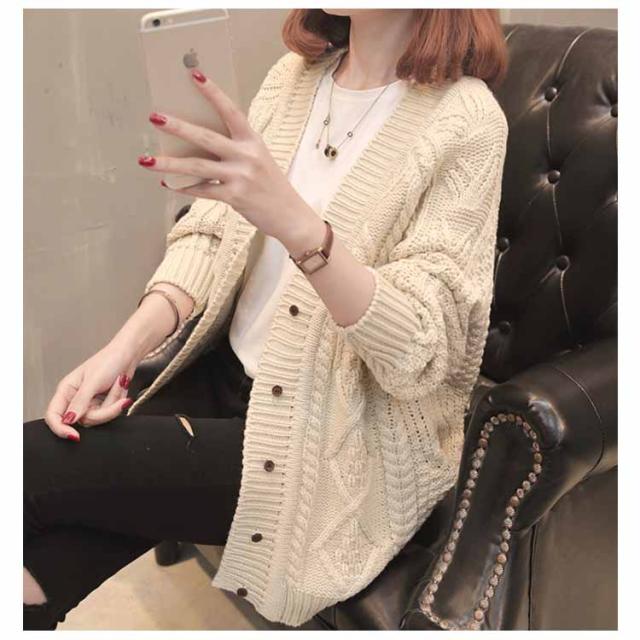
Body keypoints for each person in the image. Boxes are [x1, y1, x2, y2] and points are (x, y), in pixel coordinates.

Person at [24, 8, 509, 630]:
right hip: (224, 377)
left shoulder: (468, 120)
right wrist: (121, 352)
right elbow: (211, 233)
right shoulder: (294, 78)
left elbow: (423, 348)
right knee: (37, 568)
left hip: (334, 434)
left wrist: (299, 225)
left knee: (28, 465)